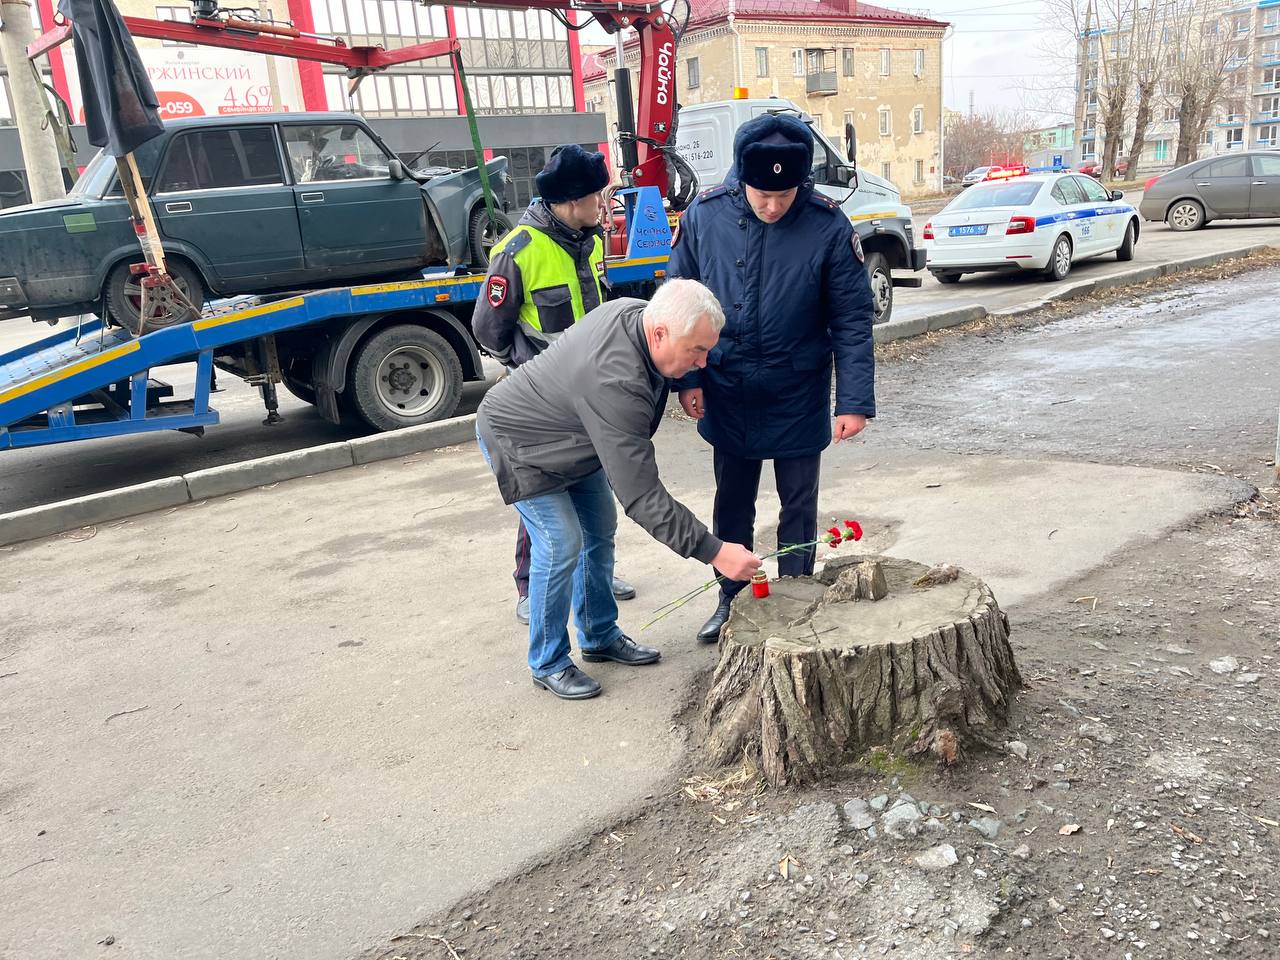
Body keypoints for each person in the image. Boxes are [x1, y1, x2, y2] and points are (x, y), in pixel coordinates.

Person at [475, 280, 762, 701]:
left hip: (576, 436)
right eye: (695, 351)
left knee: (599, 528)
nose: (702, 363)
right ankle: (548, 661)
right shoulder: (616, 381)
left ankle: (598, 634)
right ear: (660, 333)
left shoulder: (639, 315)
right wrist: (715, 551)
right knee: (560, 543)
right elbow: (643, 496)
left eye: (706, 350)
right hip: (519, 441)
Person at [665, 113, 877, 644]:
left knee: (798, 505)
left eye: (785, 195)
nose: (773, 206)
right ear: (742, 178)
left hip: (798, 388)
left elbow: (851, 318)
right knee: (732, 501)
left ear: (801, 182)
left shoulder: (828, 226)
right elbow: (678, 303)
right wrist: (686, 381)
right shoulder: (706, 216)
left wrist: (852, 400)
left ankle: (797, 594)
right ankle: (731, 599)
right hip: (728, 385)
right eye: (763, 194)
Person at [472, 144, 637, 624]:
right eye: (597, 197)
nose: (603, 206)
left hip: (588, 398)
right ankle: (530, 586)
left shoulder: (592, 241)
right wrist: (530, 372)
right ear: (570, 202)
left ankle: (594, 575)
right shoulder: (518, 251)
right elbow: (488, 330)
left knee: (591, 494)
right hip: (540, 405)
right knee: (540, 494)